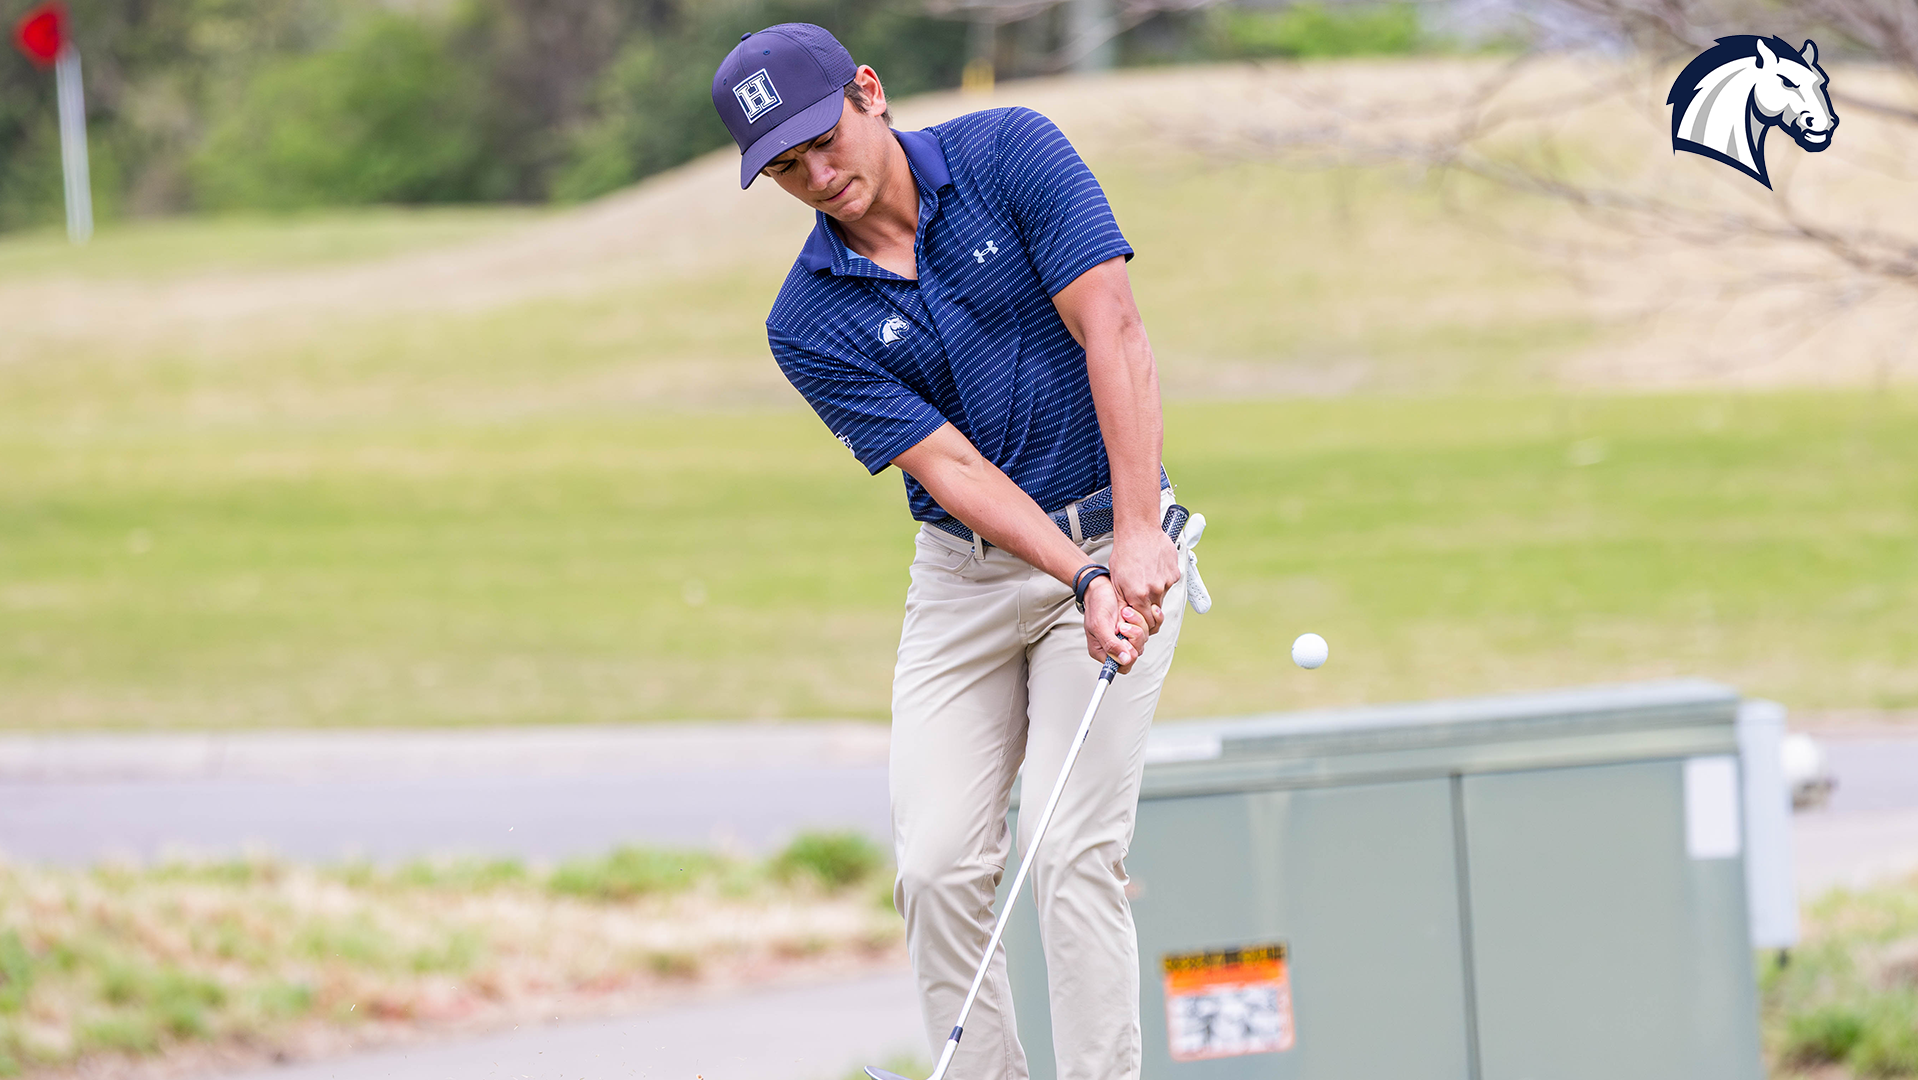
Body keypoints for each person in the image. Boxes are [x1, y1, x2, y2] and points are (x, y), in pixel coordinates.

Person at [711, 24, 1194, 1080]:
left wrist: (1136, 534)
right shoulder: (806, 320)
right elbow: (950, 469)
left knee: (1070, 854)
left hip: (1117, 527)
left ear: (868, 92)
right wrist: (1079, 578)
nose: (816, 176)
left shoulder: (1010, 152)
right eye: (785, 168)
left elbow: (1110, 326)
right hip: (969, 578)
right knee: (933, 870)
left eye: (820, 140)